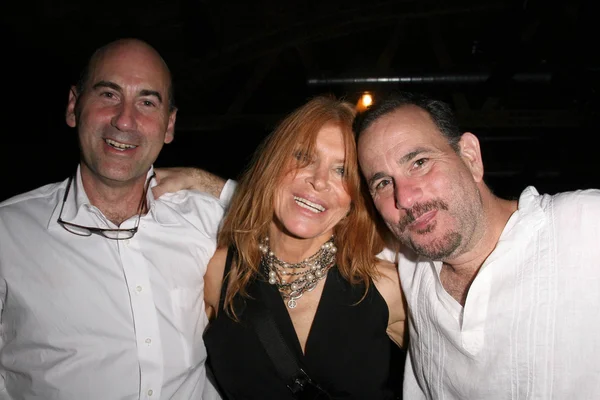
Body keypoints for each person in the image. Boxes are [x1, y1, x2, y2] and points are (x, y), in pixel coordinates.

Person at [0, 38, 231, 399]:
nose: (125, 119)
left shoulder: (206, 217)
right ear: (74, 106)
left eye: (147, 102)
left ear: (169, 125)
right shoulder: (8, 232)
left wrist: (212, 184)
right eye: (109, 95)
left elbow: (310, 231)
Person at [354, 91, 600, 399]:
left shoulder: (583, 225)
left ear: (470, 157)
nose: (405, 198)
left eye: (419, 162)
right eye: (383, 183)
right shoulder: (409, 259)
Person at [199, 95, 406, 399]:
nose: (319, 181)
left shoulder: (386, 287)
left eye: (341, 171)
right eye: (303, 157)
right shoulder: (218, 273)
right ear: (273, 165)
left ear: (355, 197)